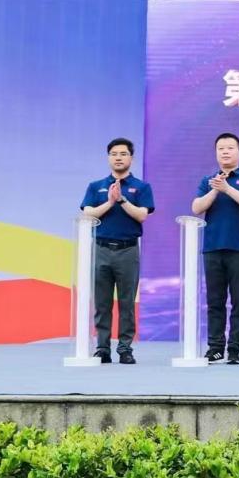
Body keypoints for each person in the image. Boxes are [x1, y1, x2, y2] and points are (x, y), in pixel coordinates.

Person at [79, 137, 155, 364]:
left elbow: (142, 215)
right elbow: (88, 213)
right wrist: (110, 202)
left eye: (123, 154)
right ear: (108, 158)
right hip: (101, 248)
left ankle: (125, 348)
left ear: (131, 158)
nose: (118, 158)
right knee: (102, 303)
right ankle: (102, 348)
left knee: (126, 303)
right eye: (114, 154)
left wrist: (121, 200)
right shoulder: (96, 186)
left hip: (127, 250)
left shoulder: (141, 187)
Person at [191, 132, 239, 365]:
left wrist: (228, 189)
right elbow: (196, 208)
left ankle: (235, 349)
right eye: (221, 148)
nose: (225, 152)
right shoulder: (208, 180)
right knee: (215, 302)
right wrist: (216, 189)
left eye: (230, 148)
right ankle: (215, 347)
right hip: (213, 248)